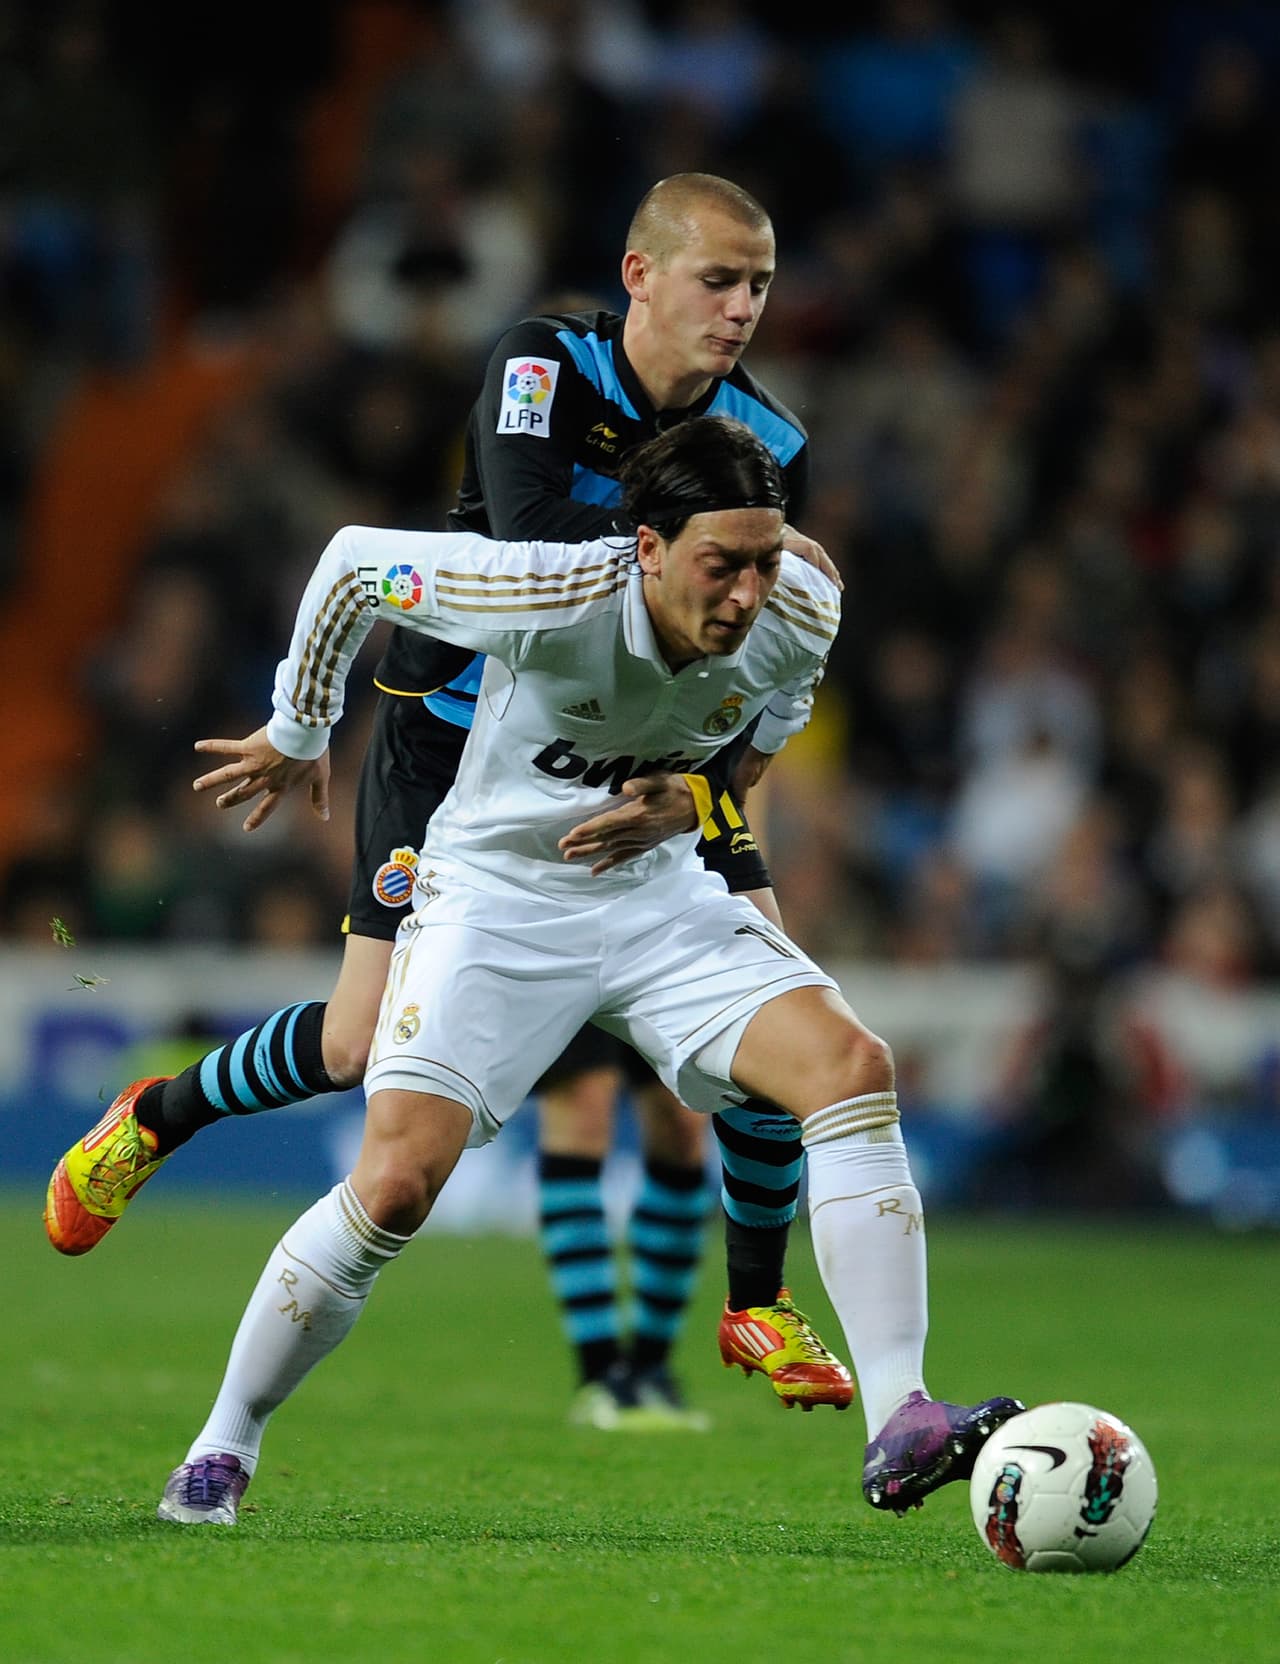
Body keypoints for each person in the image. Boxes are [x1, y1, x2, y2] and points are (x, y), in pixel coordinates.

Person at [45, 173, 853, 1428]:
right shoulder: (545, 362)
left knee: (779, 998)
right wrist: (301, 722)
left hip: (640, 755)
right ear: (641, 276)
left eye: (757, 284)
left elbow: (747, 627)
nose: (741, 307)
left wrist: (700, 778)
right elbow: (527, 525)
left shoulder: (772, 438)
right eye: (718, 279)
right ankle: (155, 1113)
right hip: (455, 736)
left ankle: (757, 1297)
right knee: (355, 1044)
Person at [148, 414, 1022, 1526]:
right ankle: (223, 1442)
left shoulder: (801, 607)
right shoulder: (551, 591)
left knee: (852, 1067)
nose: (749, 593)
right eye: (722, 564)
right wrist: (301, 723)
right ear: (647, 548)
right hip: (497, 900)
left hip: (657, 900)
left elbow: (758, 738)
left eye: (765, 559)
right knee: (396, 1185)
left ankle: (900, 1416)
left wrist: (695, 800)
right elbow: (355, 564)